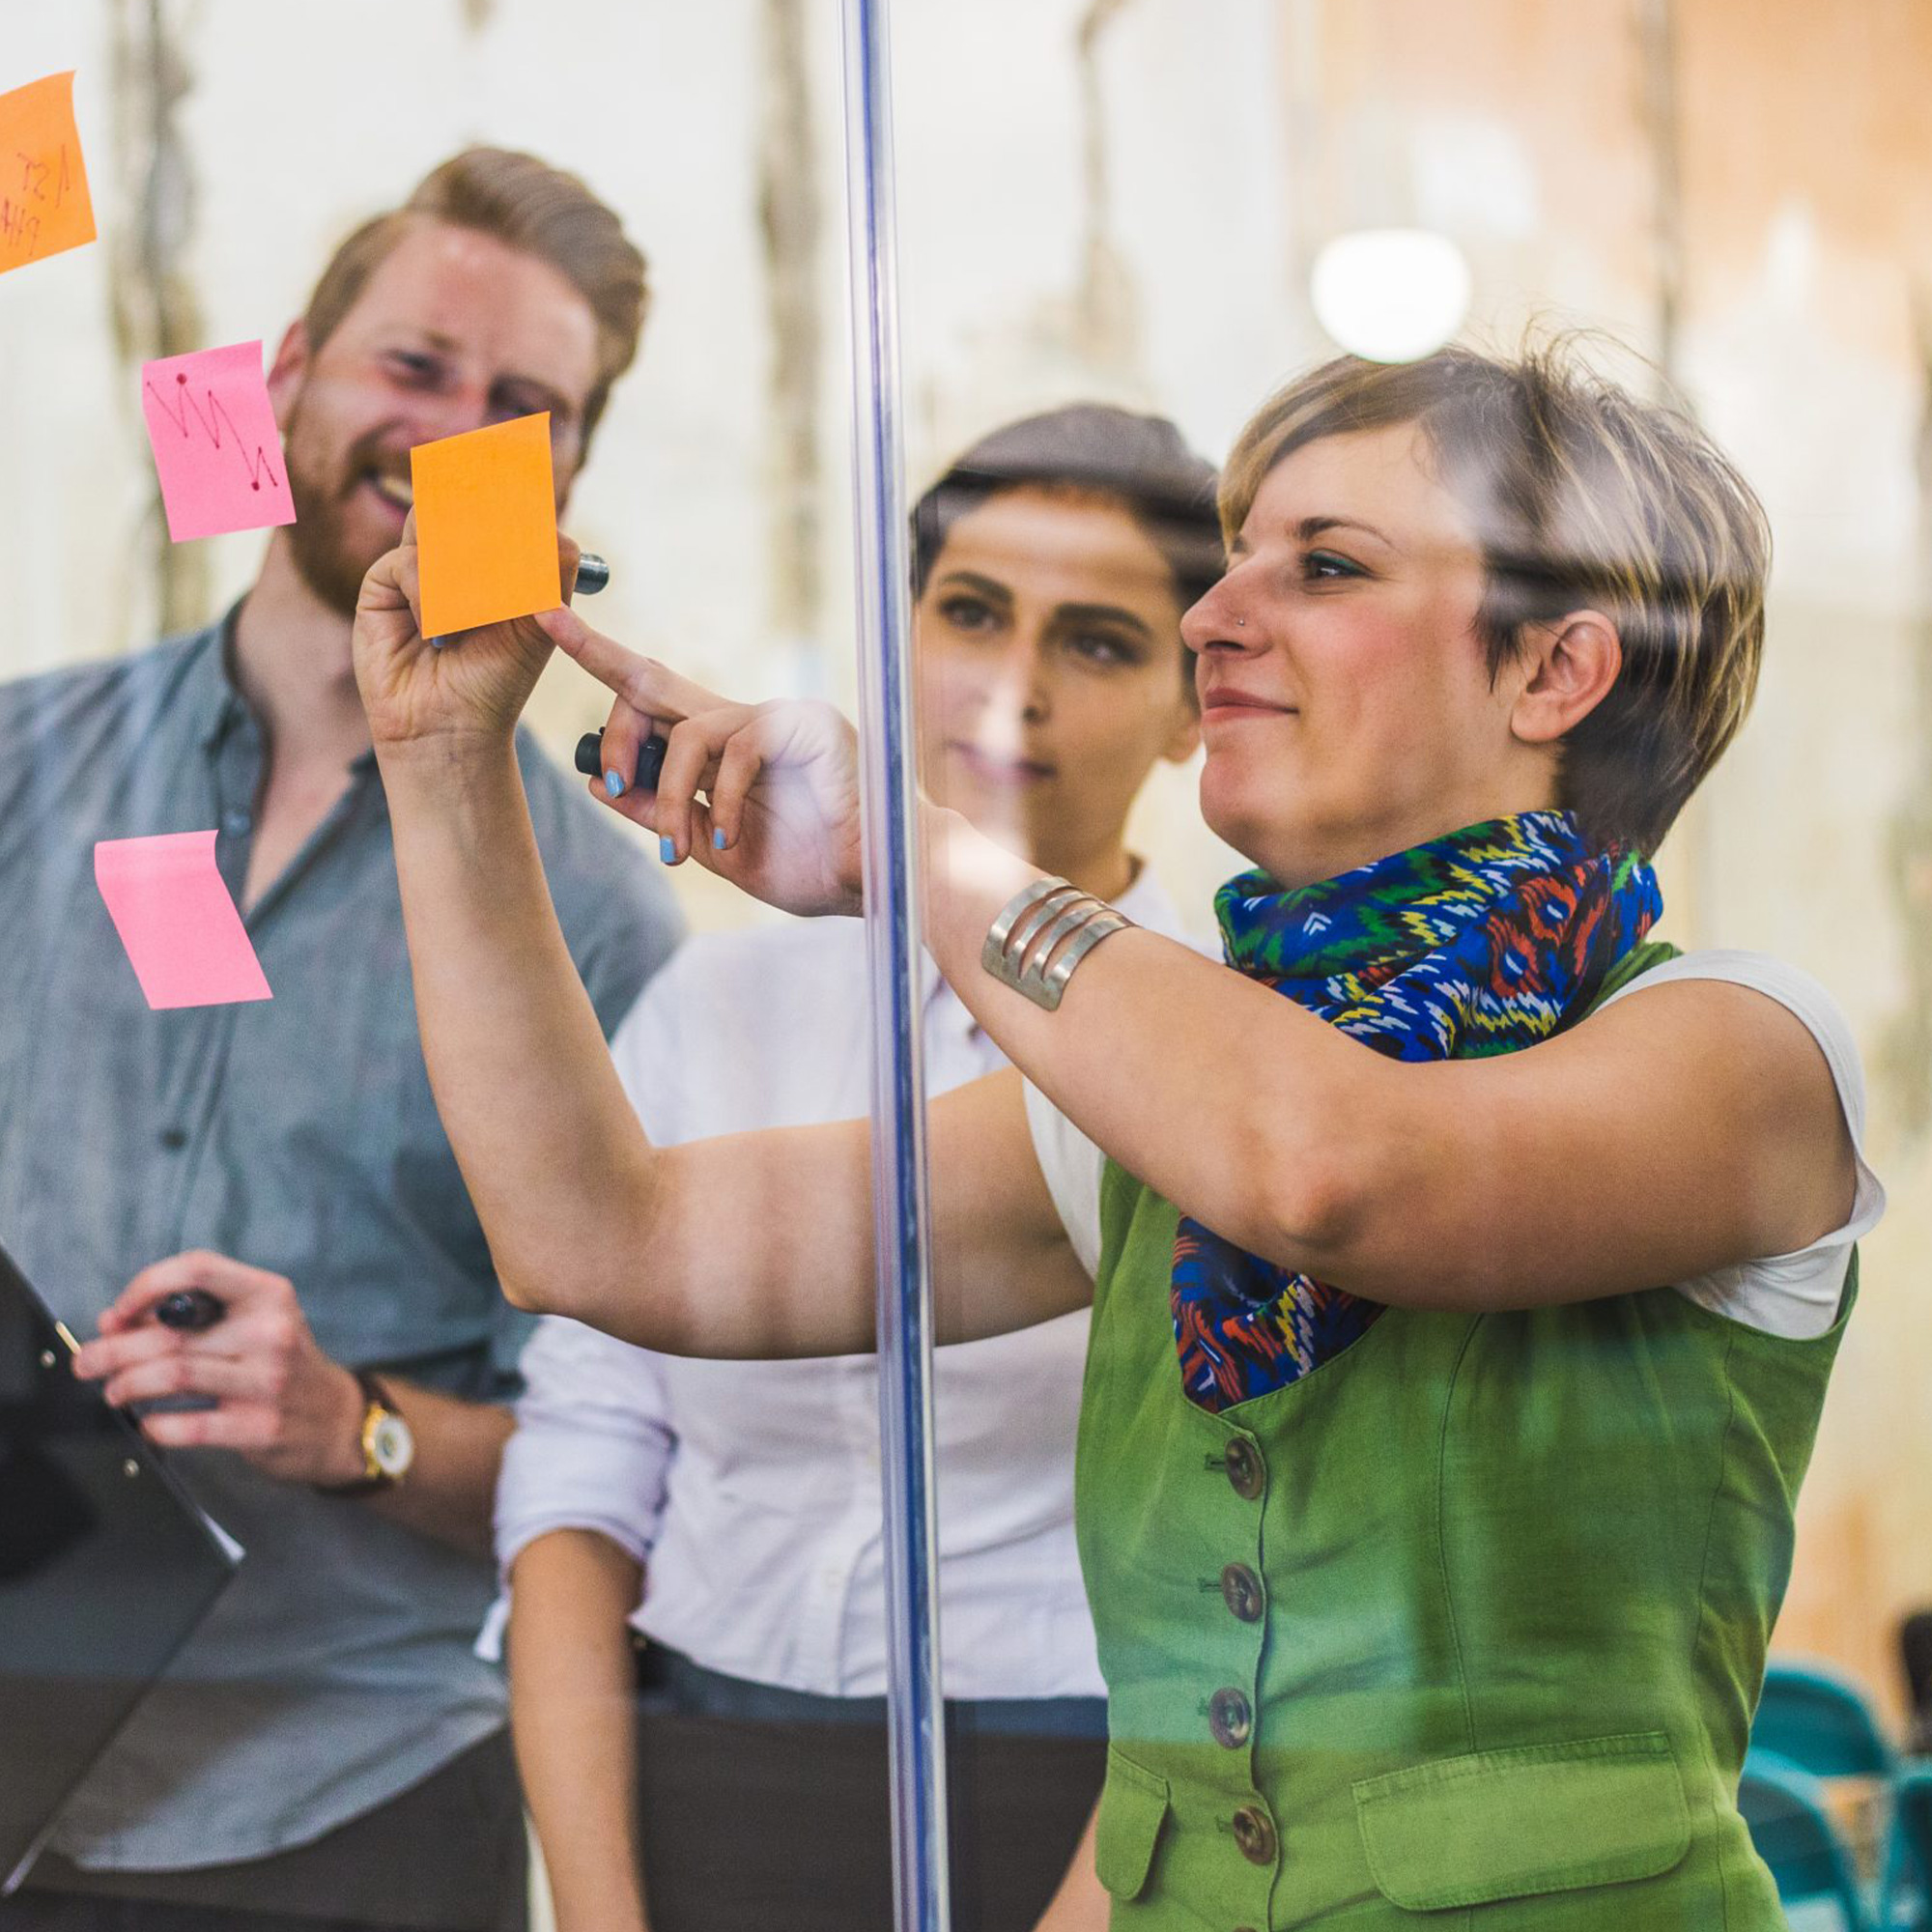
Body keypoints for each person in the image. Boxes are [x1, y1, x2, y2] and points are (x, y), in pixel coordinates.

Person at [351, 341, 1886, 1930]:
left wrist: (917, 853)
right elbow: (605, 1241)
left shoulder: (1744, 1047)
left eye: (1327, 566)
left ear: (1554, 673)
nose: (1214, 620)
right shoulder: (1156, 1098)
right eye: (1228, 569)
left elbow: (1329, 1172)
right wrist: (445, 765)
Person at [0, 150, 681, 1931]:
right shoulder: (21, 767)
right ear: (289, 372)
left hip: (353, 1800)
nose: (452, 432)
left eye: (523, 408)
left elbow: (611, 1463)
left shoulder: (598, 918)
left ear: (564, 478)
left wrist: (356, 1425)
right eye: (417, 364)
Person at [494, 405, 1218, 1932]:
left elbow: (1259, 1567)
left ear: (1190, 706)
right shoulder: (720, 1005)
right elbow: (582, 1462)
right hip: (691, 1768)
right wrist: (599, 1911)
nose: (1011, 688)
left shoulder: (1224, 1050)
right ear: (899, 633)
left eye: (1096, 643)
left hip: (1090, 1800)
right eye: (970, 613)